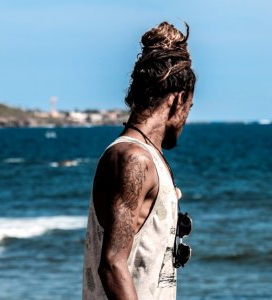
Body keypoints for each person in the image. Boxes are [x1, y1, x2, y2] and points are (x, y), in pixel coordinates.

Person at [82, 21, 196, 300]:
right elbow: (112, 264)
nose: (187, 119)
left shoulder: (146, 157)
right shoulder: (132, 158)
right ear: (178, 99)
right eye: (190, 108)